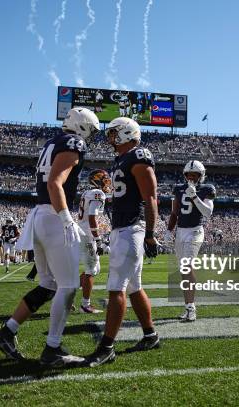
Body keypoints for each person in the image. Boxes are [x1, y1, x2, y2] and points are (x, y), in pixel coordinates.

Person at [0, 107, 100, 367]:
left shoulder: (53, 142)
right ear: (83, 126)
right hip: (53, 216)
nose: (91, 136)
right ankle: (53, 348)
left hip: (40, 214)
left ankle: (7, 331)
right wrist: (65, 218)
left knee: (48, 284)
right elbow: (55, 183)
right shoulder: (74, 142)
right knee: (69, 285)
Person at [86, 117, 160, 367]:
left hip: (132, 228)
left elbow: (151, 197)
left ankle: (106, 347)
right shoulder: (122, 159)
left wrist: (150, 233)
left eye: (114, 133)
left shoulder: (139, 155)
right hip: (124, 227)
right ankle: (150, 335)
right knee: (134, 287)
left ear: (127, 133)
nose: (110, 138)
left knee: (116, 288)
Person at [167, 160, 215, 322]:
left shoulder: (207, 189)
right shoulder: (179, 189)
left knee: (187, 267)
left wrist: (194, 196)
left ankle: (191, 308)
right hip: (180, 231)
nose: (191, 178)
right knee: (183, 270)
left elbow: (208, 213)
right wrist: (168, 231)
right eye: (189, 175)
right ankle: (187, 305)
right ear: (184, 175)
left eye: (195, 175)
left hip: (195, 231)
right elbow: (174, 213)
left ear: (201, 176)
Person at [77, 169, 111, 313]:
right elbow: (92, 217)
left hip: (84, 232)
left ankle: (66, 293)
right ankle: (85, 305)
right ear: (97, 181)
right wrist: (98, 240)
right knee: (91, 269)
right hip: (87, 234)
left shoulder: (87, 193)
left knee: (94, 269)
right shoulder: (98, 194)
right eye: (104, 180)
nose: (107, 183)